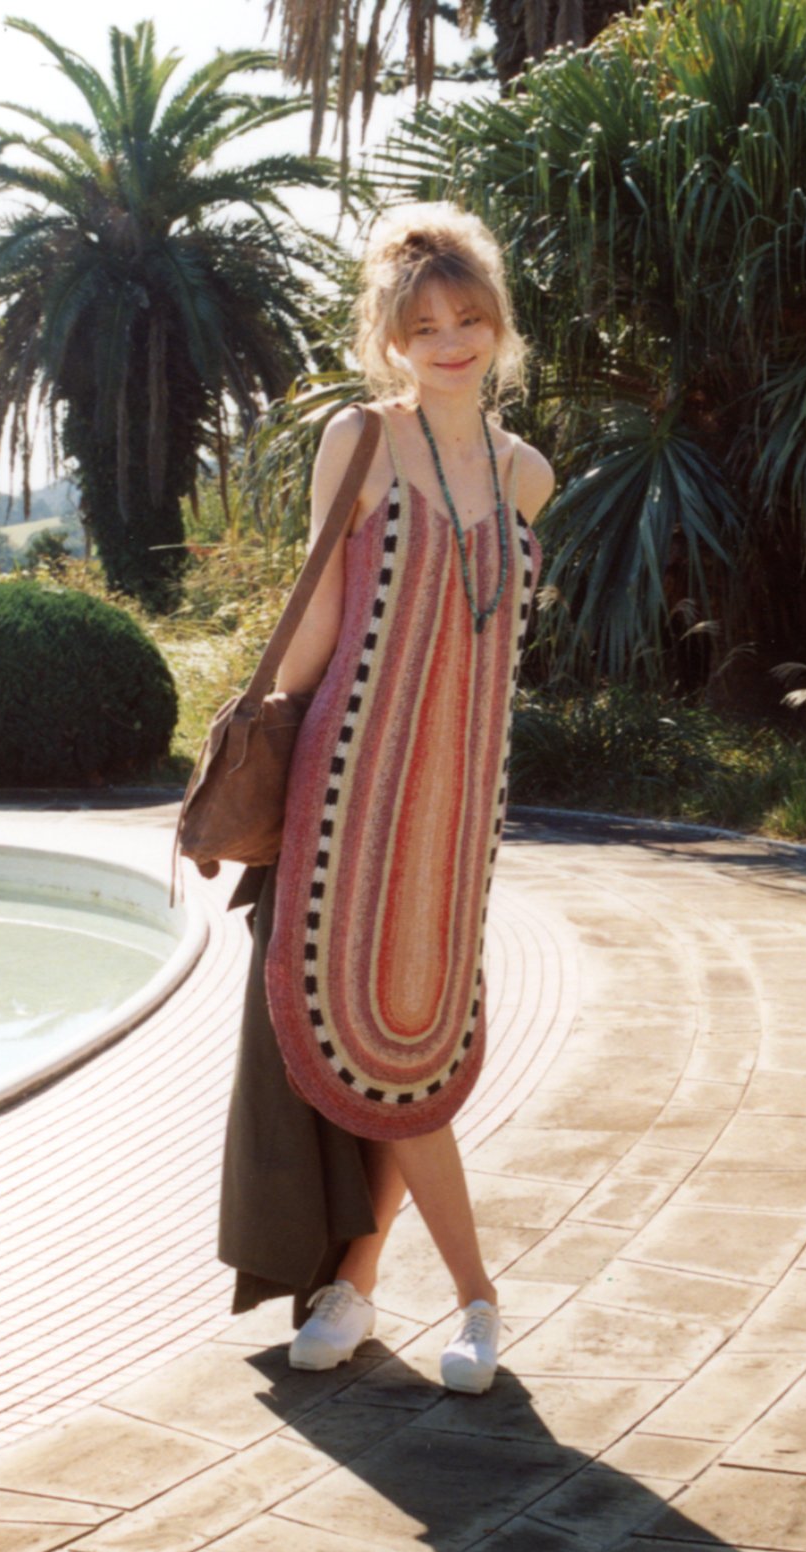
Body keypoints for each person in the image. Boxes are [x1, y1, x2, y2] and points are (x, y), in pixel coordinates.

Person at [217, 199, 554, 1395]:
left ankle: (355, 1282)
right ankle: (476, 1297)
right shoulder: (359, 440)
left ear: (498, 325)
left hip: (459, 799)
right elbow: (319, 615)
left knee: (414, 1045)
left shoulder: (526, 474)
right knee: (364, 1038)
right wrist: (247, 740)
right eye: (424, 326)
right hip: (349, 777)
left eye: (468, 319)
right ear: (391, 339)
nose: (450, 342)